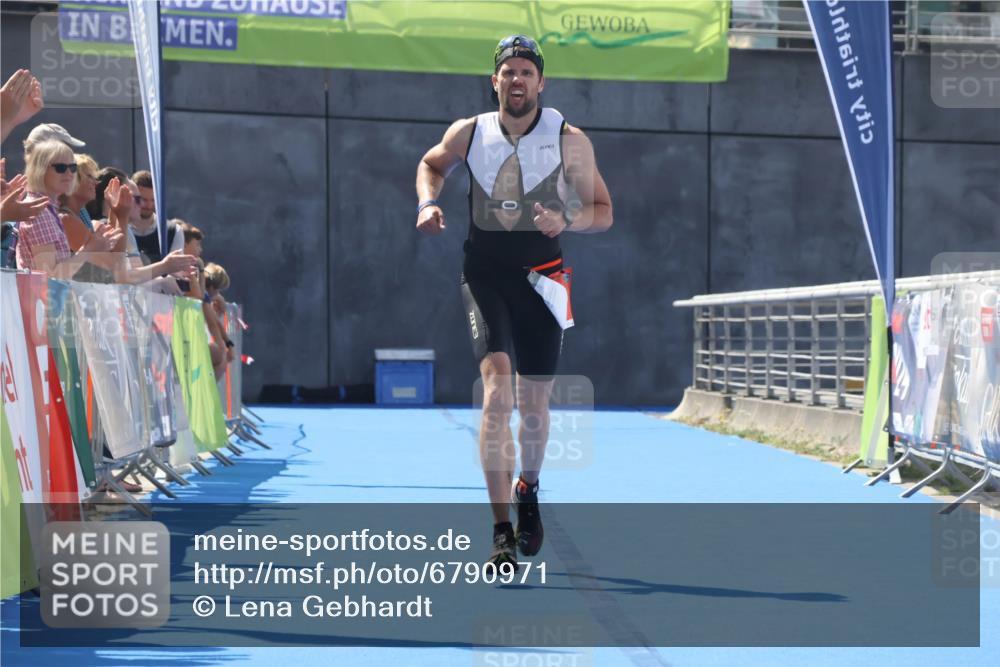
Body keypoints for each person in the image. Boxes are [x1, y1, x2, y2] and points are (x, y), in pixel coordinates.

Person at [414, 35, 613, 570]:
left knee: (534, 409)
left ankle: (529, 485)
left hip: (543, 281)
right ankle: (501, 529)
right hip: (485, 276)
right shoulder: (470, 131)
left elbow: (603, 211)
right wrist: (427, 203)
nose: (518, 80)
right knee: (497, 394)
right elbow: (430, 164)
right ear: (495, 80)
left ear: (540, 82)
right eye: (510, 72)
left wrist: (567, 219)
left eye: (528, 71)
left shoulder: (569, 138)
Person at [15, 139, 120, 278]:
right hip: (42, 298)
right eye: (61, 168)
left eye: (73, 168)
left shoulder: (45, 208)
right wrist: (89, 249)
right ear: (40, 169)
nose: (70, 174)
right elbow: (49, 277)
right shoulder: (39, 211)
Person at [131, 169, 184, 263]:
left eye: (153, 200)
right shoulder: (120, 228)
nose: (149, 205)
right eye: (143, 200)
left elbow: (176, 272)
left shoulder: (173, 230)